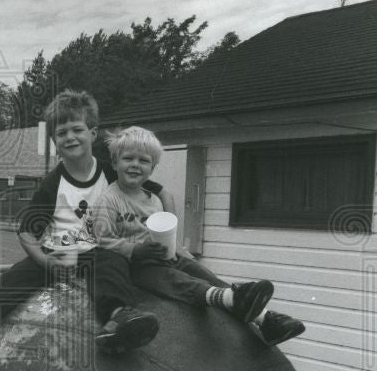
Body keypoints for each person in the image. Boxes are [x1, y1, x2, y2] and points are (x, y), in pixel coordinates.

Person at [0, 90, 161, 371]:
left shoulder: (109, 173)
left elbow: (153, 192)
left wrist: (162, 226)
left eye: (77, 129)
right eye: (61, 133)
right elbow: (27, 233)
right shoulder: (52, 184)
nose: (70, 137)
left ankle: (120, 318)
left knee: (112, 262)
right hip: (57, 253)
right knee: (11, 281)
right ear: (54, 142)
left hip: (98, 249)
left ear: (93, 132)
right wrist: (46, 262)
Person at [95, 125, 306, 347]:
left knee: (199, 271)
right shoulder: (109, 200)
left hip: (161, 258)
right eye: (128, 158)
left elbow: (162, 234)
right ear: (115, 162)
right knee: (177, 281)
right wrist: (136, 250)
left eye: (143, 160)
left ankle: (264, 319)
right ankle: (227, 299)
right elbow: (102, 241)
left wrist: (173, 250)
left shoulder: (154, 200)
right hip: (138, 266)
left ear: (153, 168)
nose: (135, 165)